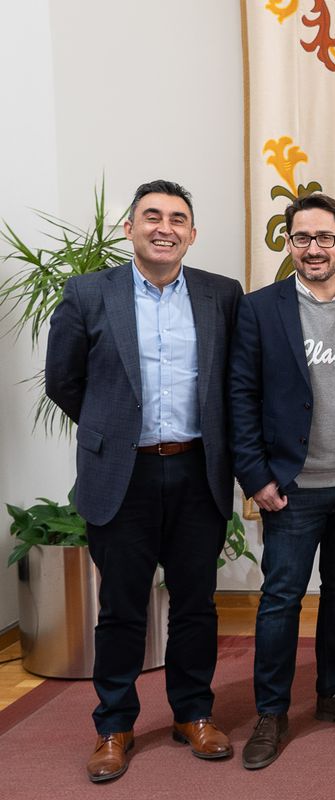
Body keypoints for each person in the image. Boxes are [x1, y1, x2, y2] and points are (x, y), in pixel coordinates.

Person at [45, 180, 243, 782]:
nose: (165, 227)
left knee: (194, 604)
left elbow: (236, 384)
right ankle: (114, 725)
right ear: (129, 228)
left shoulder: (220, 295)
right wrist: (114, 427)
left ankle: (193, 713)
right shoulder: (87, 293)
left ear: (192, 232)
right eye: (151, 216)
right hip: (121, 472)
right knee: (123, 607)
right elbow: (63, 381)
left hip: (197, 468)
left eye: (177, 218)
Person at [228, 193, 335, 770]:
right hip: (291, 489)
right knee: (281, 600)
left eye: (325, 237)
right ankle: (272, 712)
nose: (314, 248)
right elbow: (240, 400)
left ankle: (333, 694)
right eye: (301, 238)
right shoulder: (258, 309)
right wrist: (255, 478)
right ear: (288, 243)